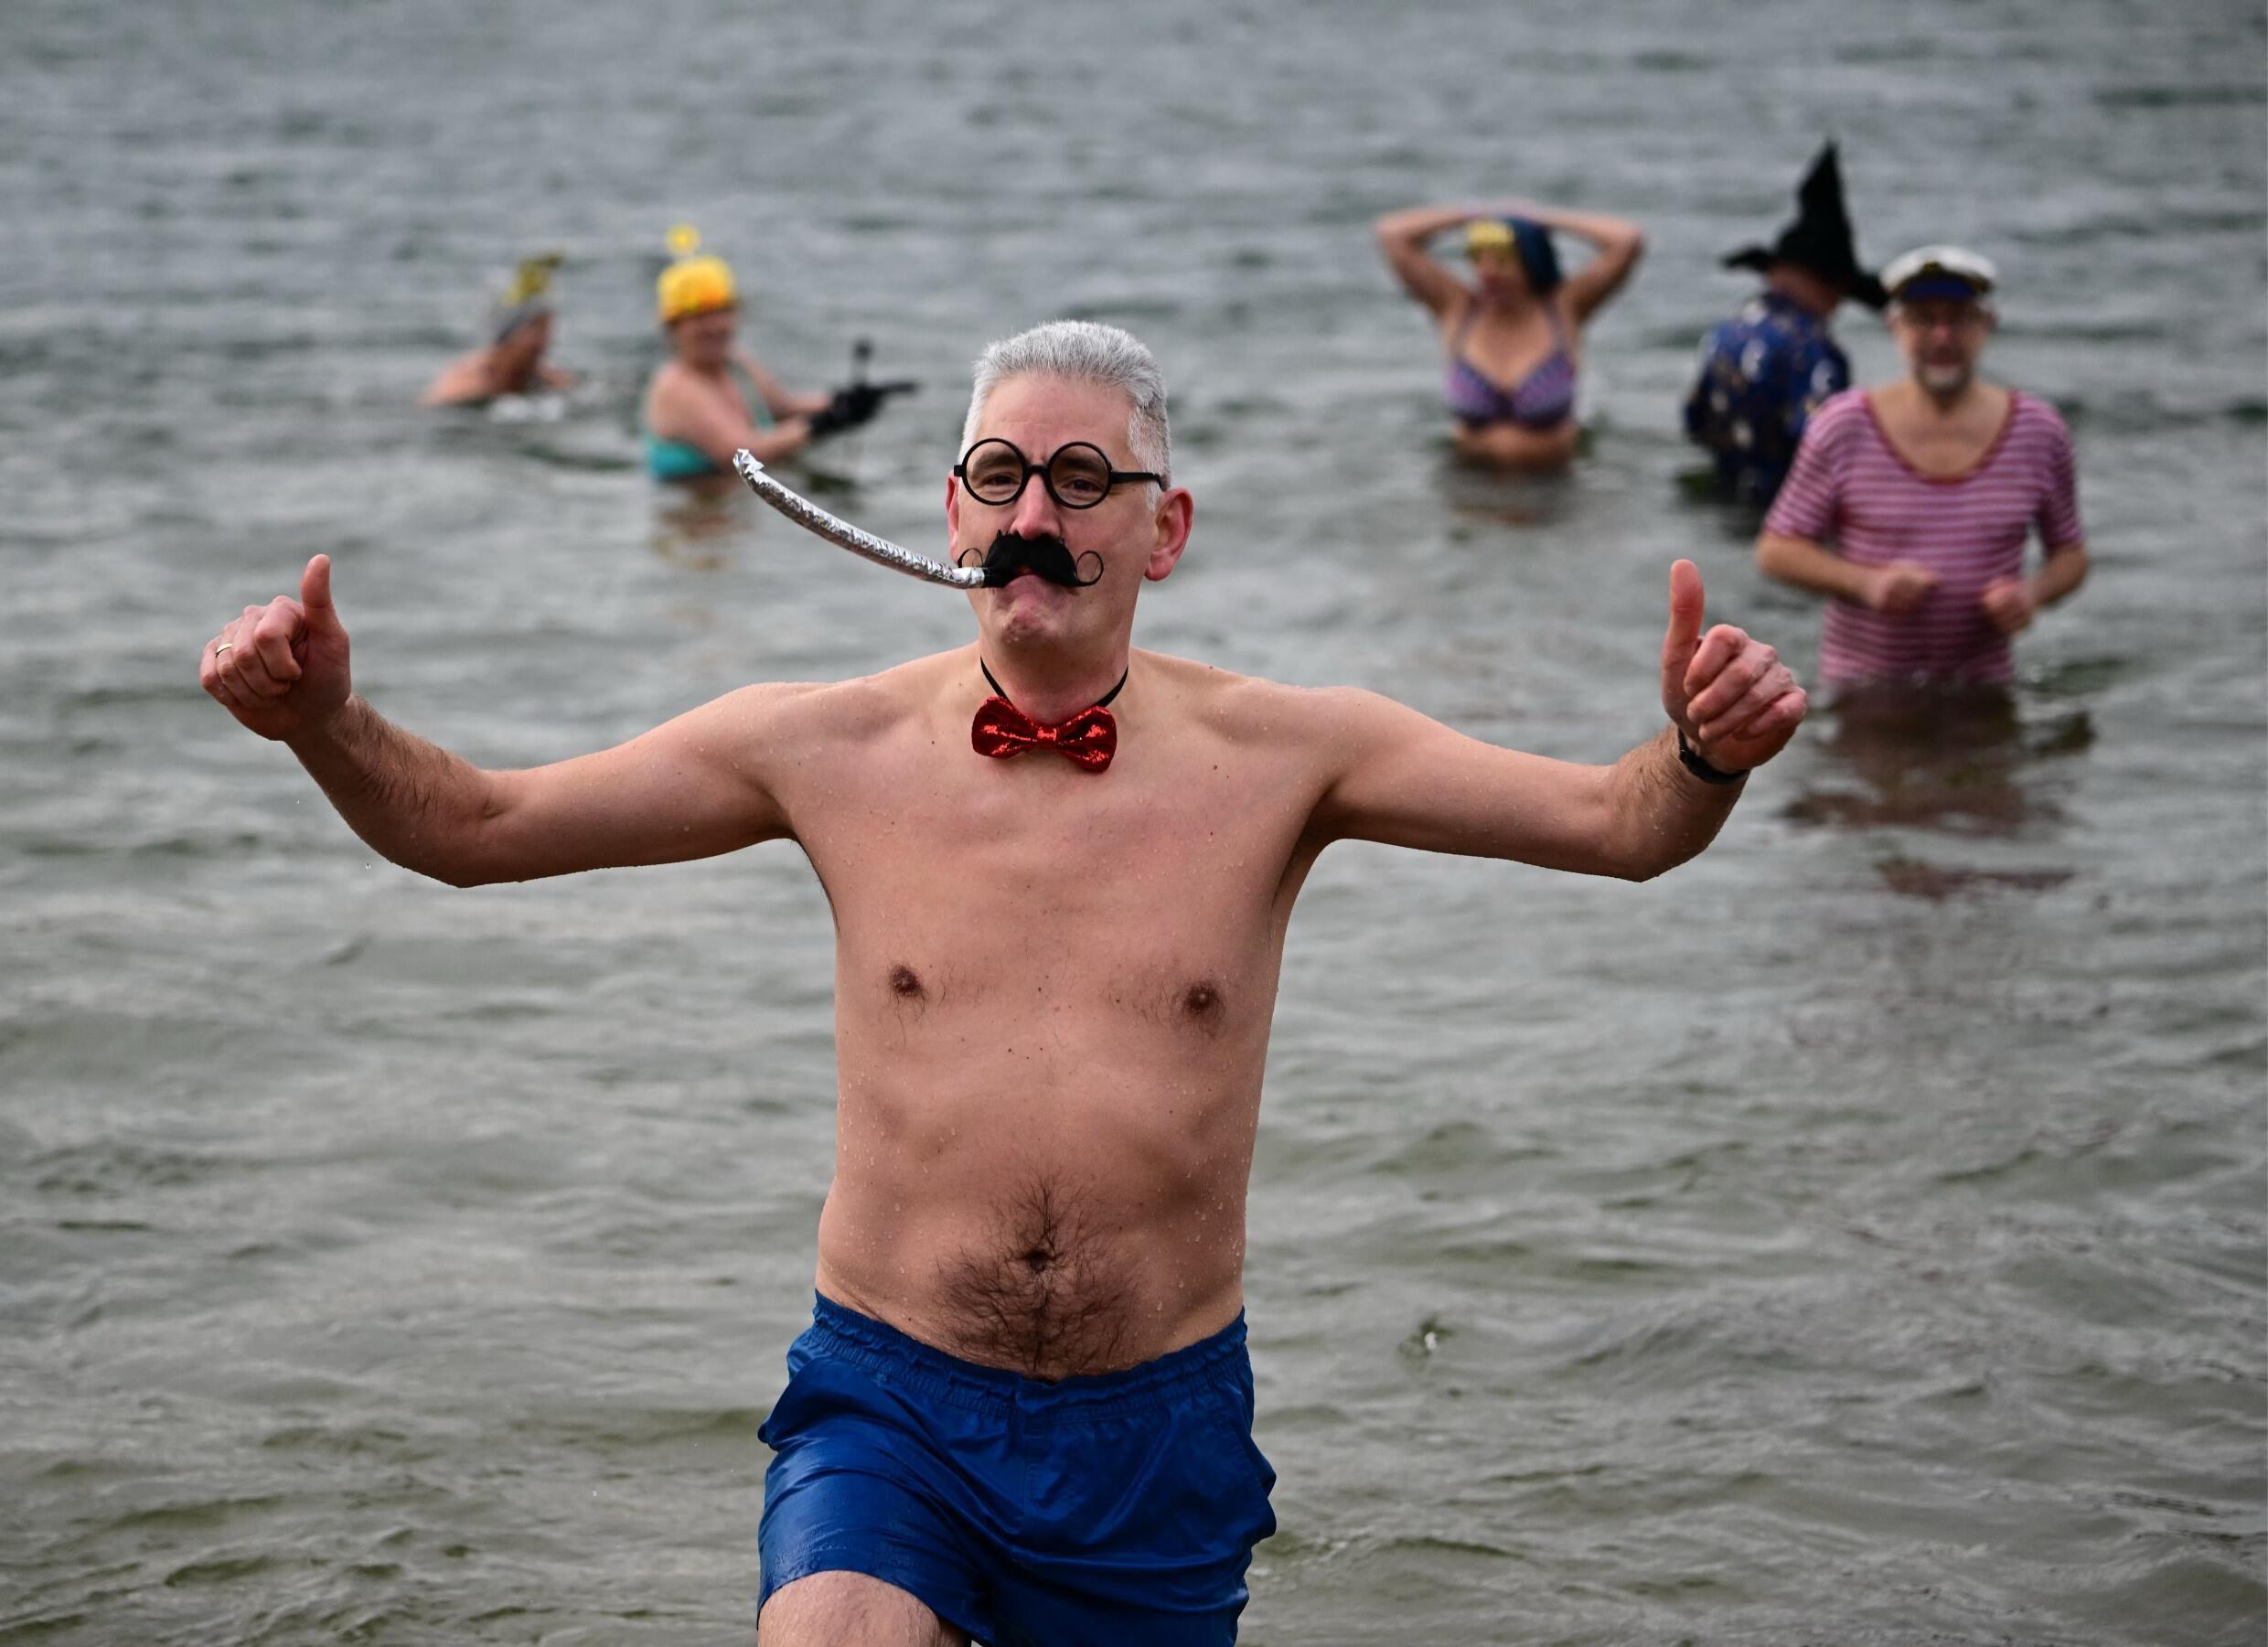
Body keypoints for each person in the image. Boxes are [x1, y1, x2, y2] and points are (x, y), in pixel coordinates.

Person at [200, 320, 1805, 1646]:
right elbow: (477, 828)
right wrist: (324, 724)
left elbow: (1617, 828)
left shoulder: (1292, 754)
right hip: (890, 1403)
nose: (1038, 508)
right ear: (951, 515)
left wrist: (1703, 750)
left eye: (1085, 478)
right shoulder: (815, 743)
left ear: (1162, 531)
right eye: (1000, 474)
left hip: (1156, 1436)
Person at [1756, 246, 2090, 692]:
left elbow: (2071, 555)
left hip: (1986, 689)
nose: (1942, 336)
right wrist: (1868, 584)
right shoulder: (1844, 425)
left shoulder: (2038, 430)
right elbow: (1777, 550)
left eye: (1960, 318)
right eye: (1923, 319)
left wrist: (2031, 595)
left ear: (1987, 325)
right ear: (1894, 327)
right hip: (1864, 690)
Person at [1375, 198, 1645, 470]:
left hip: (1553, 493)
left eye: (1503, 261)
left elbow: (1627, 240)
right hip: (1468, 490)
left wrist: (1544, 219)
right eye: (1479, 258)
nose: (1488, 272)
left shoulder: (1564, 309)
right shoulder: (1457, 309)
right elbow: (1393, 234)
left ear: (1532, 262)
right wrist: (1471, 215)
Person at [1683, 144, 1886, 506]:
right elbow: (1824, 447)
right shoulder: (1812, 350)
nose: (1838, 303)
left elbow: (1693, 421)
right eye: (1838, 289)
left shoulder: (1726, 332)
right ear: (1828, 282)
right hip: (1782, 512)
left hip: (1720, 499)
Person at [640, 225, 885, 483]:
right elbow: (743, 455)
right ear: (673, 327)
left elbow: (784, 408)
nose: (714, 327)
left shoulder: (736, 364)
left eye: (721, 313)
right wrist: (826, 422)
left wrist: (843, 402)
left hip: (742, 512)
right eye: (700, 318)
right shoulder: (676, 388)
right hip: (693, 517)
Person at [419, 254, 580, 409]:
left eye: (547, 329)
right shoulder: (462, 389)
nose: (544, 340)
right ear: (509, 333)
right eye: (536, 330)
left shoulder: (549, 382)